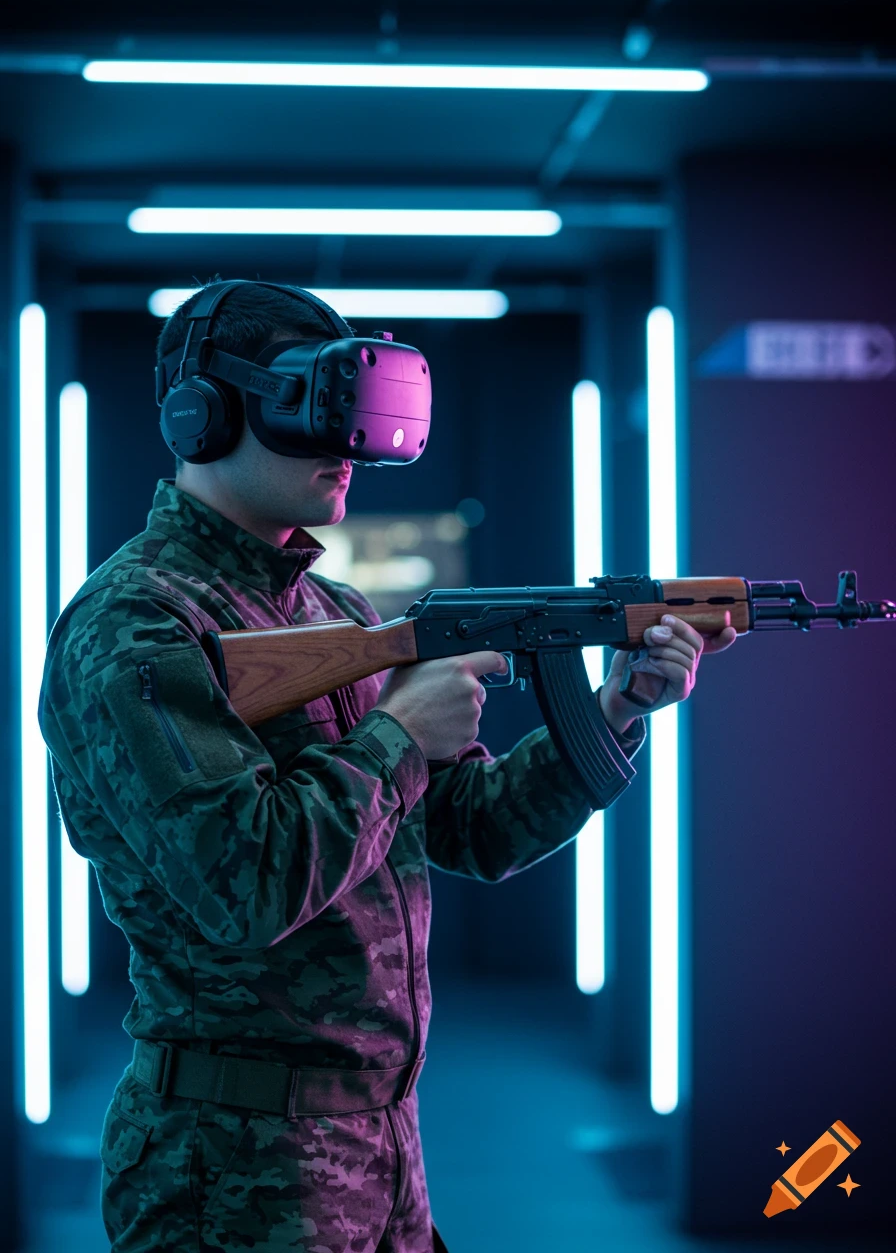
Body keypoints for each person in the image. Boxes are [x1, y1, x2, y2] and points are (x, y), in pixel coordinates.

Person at [38, 281, 736, 1253]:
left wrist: (617, 706)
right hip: (228, 1170)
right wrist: (399, 734)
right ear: (203, 414)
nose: (346, 443)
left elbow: (472, 826)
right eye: (311, 406)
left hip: (377, 1146)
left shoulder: (341, 614)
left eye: (356, 411)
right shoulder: (135, 624)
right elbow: (244, 882)